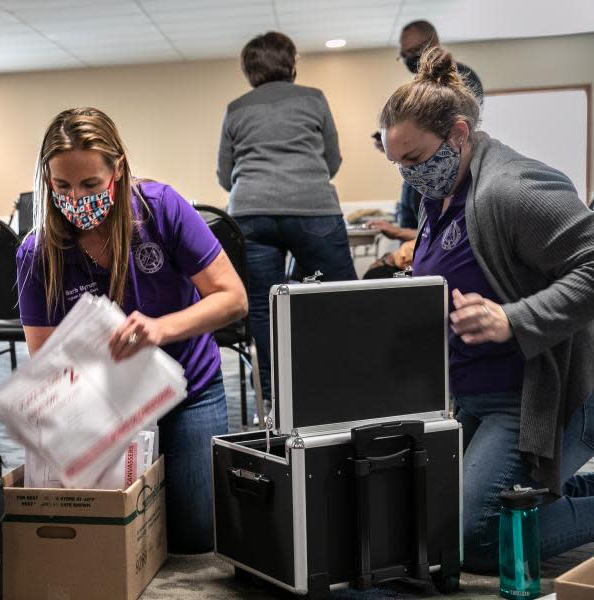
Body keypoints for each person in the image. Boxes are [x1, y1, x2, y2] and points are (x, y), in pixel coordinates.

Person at [380, 47, 594, 571]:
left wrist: (511, 318)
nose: (407, 175)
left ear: (457, 134)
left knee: (470, 539)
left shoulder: (513, 188)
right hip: (477, 397)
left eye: (413, 159)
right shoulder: (442, 194)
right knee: (426, 520)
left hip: (538, 395)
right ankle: (561, 488)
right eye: (395, 162)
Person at [17, 107, 248, 553]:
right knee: (105, 539)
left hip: (186, 389)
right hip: (102, 400)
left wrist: (161, 330)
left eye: (90, 185)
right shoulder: (38, 250)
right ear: (46, 178)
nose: (75, 199)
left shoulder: (160, 210)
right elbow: (42, 357)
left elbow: (232, 298)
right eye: (61, 186)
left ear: (117, 168)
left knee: (195, 538)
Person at [217, 31, 355, 406]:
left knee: (265, 306)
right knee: (342, 297)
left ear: (249, 70)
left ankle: (276, 400)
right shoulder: (314, 99)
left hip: (250, 210)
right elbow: (333, 160)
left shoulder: (236, 108)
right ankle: (354, 380)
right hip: (313, 206)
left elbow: (224, 175)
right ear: (291, 62)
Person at [368, 19, 485, 242]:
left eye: (413, 51)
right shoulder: (420, 178)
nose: (409, 58)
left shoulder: (459, 83)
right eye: (404, 54)